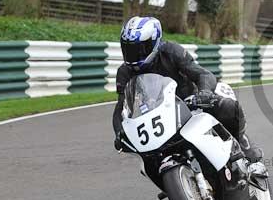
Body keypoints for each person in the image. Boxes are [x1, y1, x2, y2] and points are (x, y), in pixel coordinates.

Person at [112, 16, 262, 162]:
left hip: (191, 104)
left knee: (227, 106)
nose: (134, 54)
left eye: (140, 48)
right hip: (160, 119)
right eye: (129, 49)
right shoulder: (124, 73)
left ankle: (242, 142)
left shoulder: (171, 52)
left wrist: (204, 93)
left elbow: (203, 74)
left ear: (155, 43)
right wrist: (119, 132)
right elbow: (121, 107)